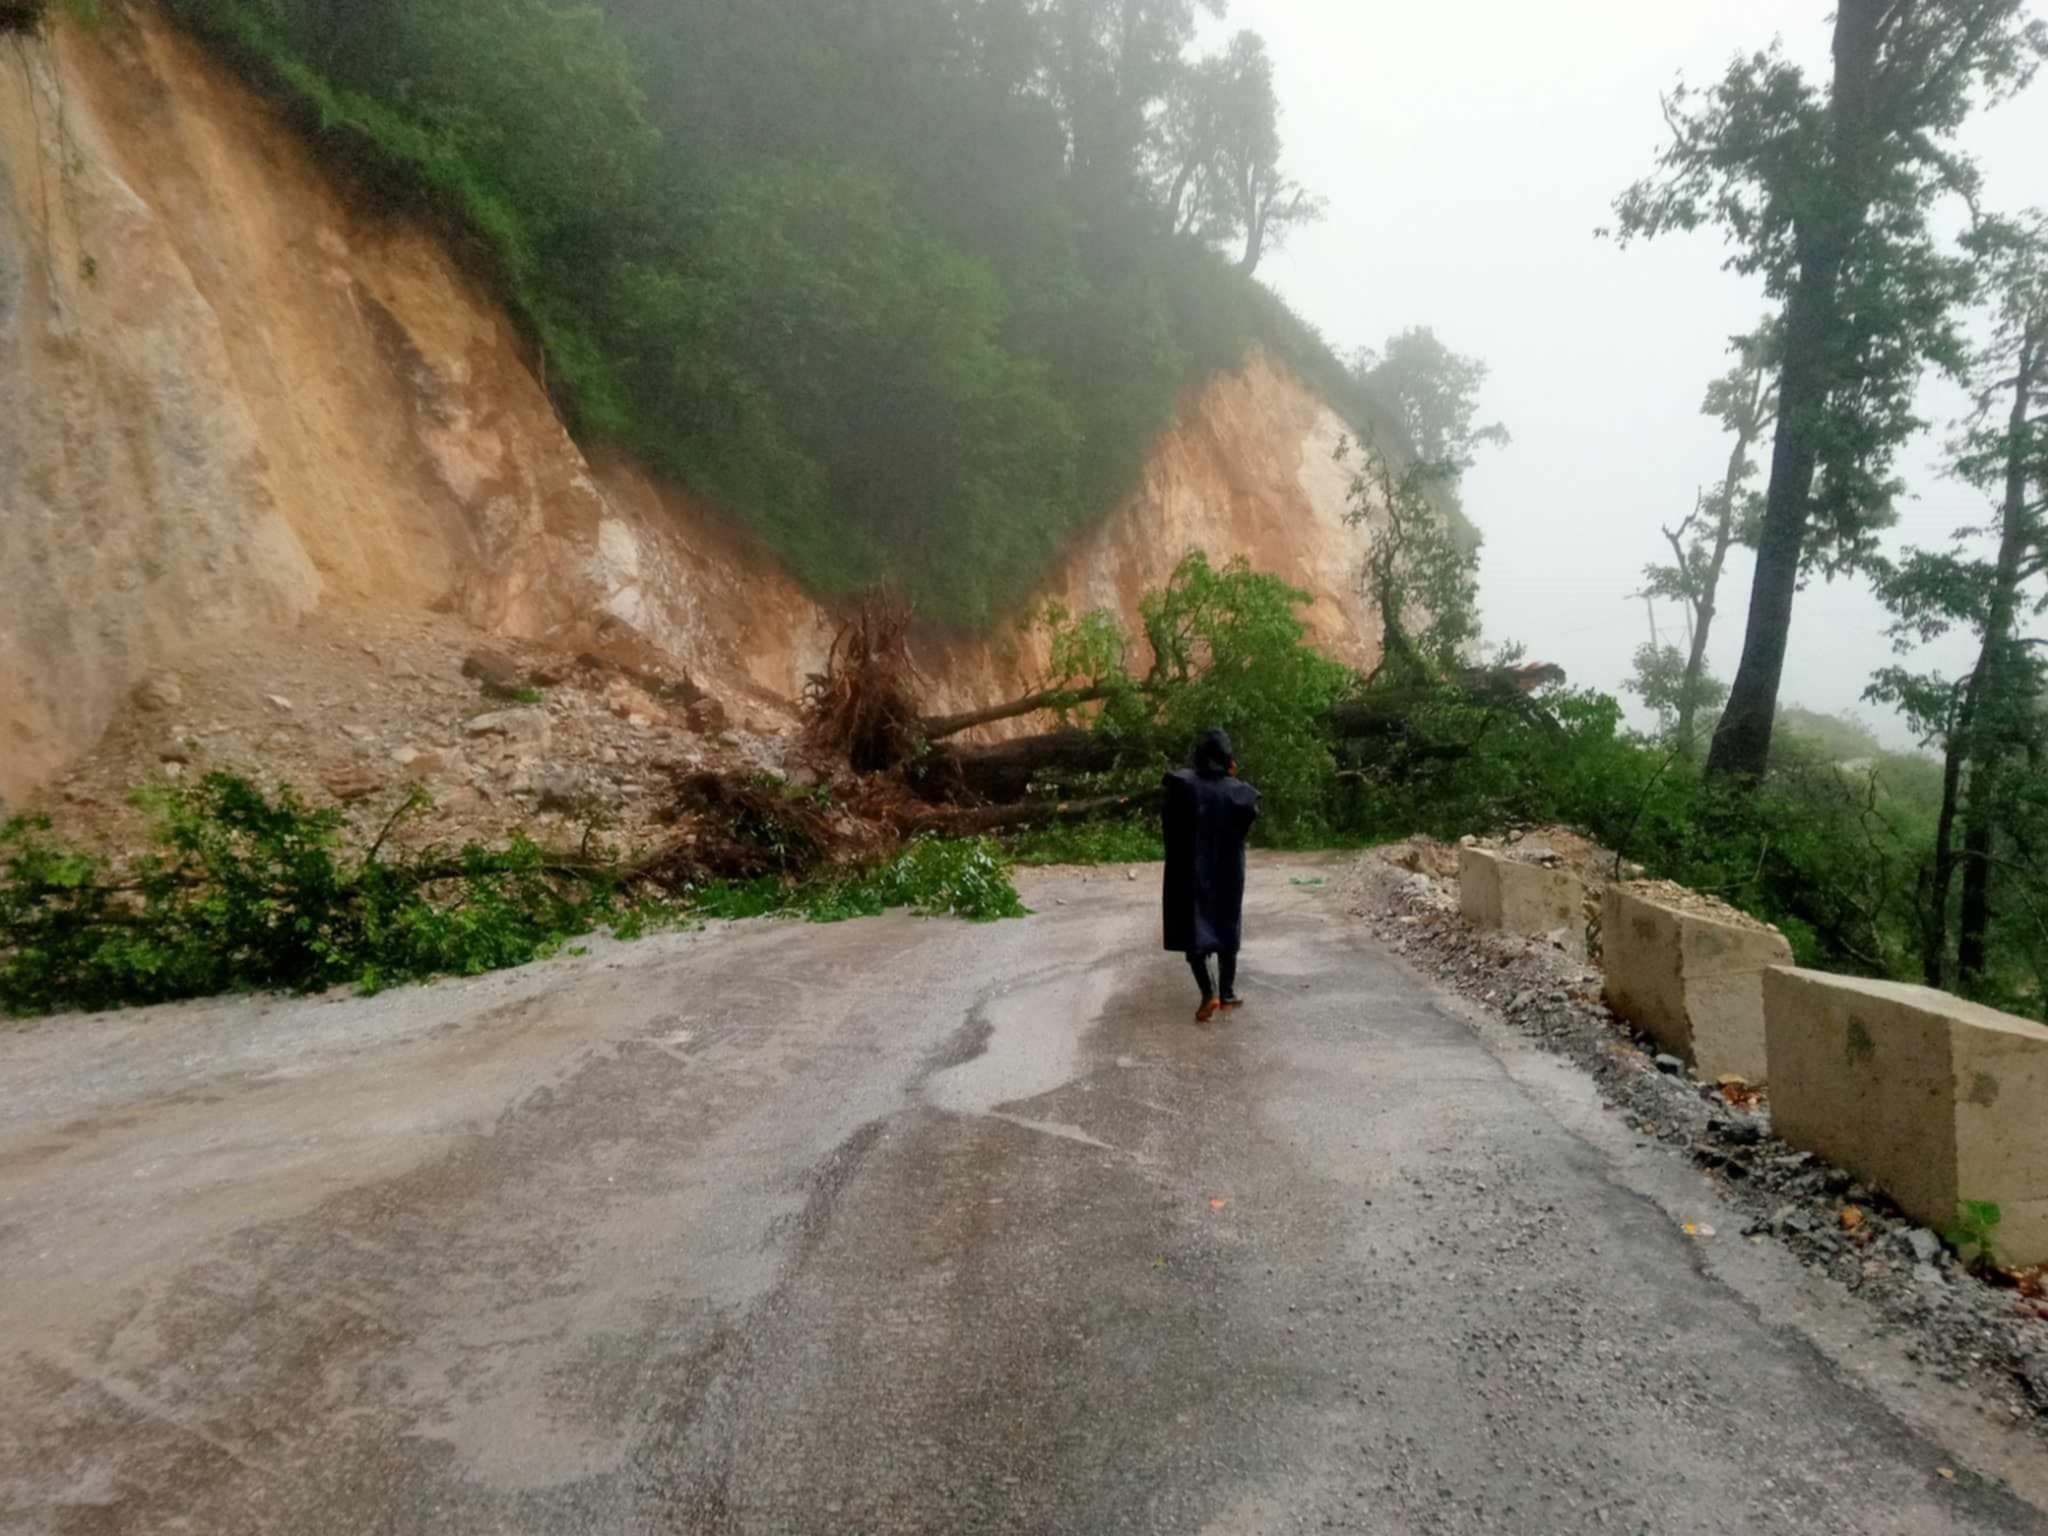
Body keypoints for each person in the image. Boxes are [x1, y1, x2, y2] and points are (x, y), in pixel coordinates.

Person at [1160, 728, 1260, 1022]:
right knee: (1228, 926)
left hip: (1192, 870)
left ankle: (1210, 993)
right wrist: (1231, 778)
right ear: (1227, 758)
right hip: (1229, 870)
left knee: (1195, 931)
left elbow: (1169, 822)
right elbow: (1245, 822)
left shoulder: (1183, 786)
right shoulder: (1239, 792)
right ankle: (1227, 992)